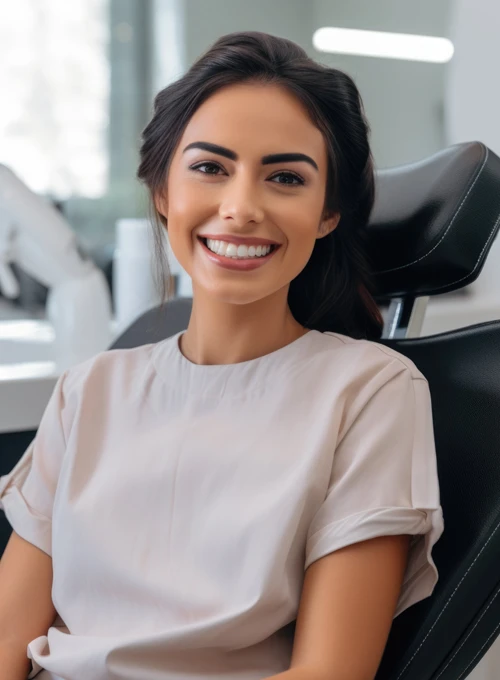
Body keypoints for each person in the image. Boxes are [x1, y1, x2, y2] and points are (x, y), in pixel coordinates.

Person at [0, 31, 444, 680]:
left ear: (327, 213)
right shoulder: (89, 390)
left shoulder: (370, 392)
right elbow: (8, 640)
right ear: (161, 192)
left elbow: (330, 673)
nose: (240, 209)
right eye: (210, 167)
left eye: (286, 177)